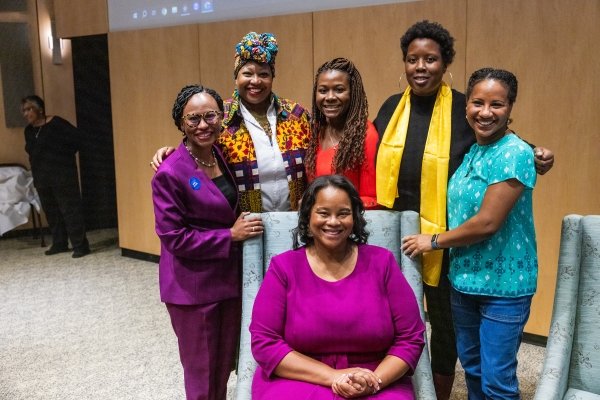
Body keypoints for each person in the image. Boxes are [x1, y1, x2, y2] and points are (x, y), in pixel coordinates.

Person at [374, 20, 554, 399]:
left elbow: (504, 139)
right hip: (398, 236)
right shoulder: (392, 107)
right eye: (413, 59)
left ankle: (438, 393)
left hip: (446, 241)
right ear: (404, 63)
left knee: (445, 327)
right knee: (392, 316)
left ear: (445, 63)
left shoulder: (463, 107)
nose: (421, 67)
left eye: (431, 59)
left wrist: (536, 152)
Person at [402, 68, 537, 400]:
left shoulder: (514, 152)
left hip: (504, 288)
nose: (486, 112)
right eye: (478, 103)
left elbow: (487, 223)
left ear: (510, 108)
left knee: (497, 380)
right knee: (474, 369)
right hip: (464, 282)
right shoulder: (474, 151)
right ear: (466, 108)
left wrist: (432, 240)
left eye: (497, 105)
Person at [250, 175, 425, 399]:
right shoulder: (283, 268)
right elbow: (264, 342)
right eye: (323, 213)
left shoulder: (382, 263)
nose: (333, 222)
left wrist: (374, 381)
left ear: (354, 218)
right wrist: (333, 376)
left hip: (374, 376)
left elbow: (410, 338)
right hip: (298, 377)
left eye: (343, 213)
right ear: (308, 217)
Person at [151, 84, 264, 400]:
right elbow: (174, 237)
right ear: (181, 124)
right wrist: (229, 236)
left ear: (221, 117)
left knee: (221, 369)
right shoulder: (170, 172)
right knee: (202, 374)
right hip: (194, 289)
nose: (203, 125)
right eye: (193, 119)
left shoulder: (219, 154)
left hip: (226, 282)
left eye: (210, 116)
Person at [151, 31, 311, 213]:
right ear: (236, 77)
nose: (255, 81)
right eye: (247, 73)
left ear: (272, 77)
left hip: (294, 223)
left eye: (264, 74)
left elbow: (316, 158)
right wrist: (169, 154)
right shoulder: (220, 117)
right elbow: (197, 144)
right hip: (244, 228)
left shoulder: (297, 115)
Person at [21, 95, 90, 258]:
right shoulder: (28, 131)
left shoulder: (57, 123)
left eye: (29, 109)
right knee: (52, 212)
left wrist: (63, 158)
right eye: (24, 110)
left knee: (70, 210)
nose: (26, 113)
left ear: (40, 109)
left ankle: (80, 245)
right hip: (42, 177)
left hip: (62, 175)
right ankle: (60, 243)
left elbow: (78, 140)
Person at [304, 57, 378, 208]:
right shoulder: (316, 132)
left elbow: (372, 200)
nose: (330, 97)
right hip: (319, 224)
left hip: (352, 226)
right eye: (323, 90)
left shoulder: (365, 135)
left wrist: (332, 207)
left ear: (353, 93)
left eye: (339, 89)